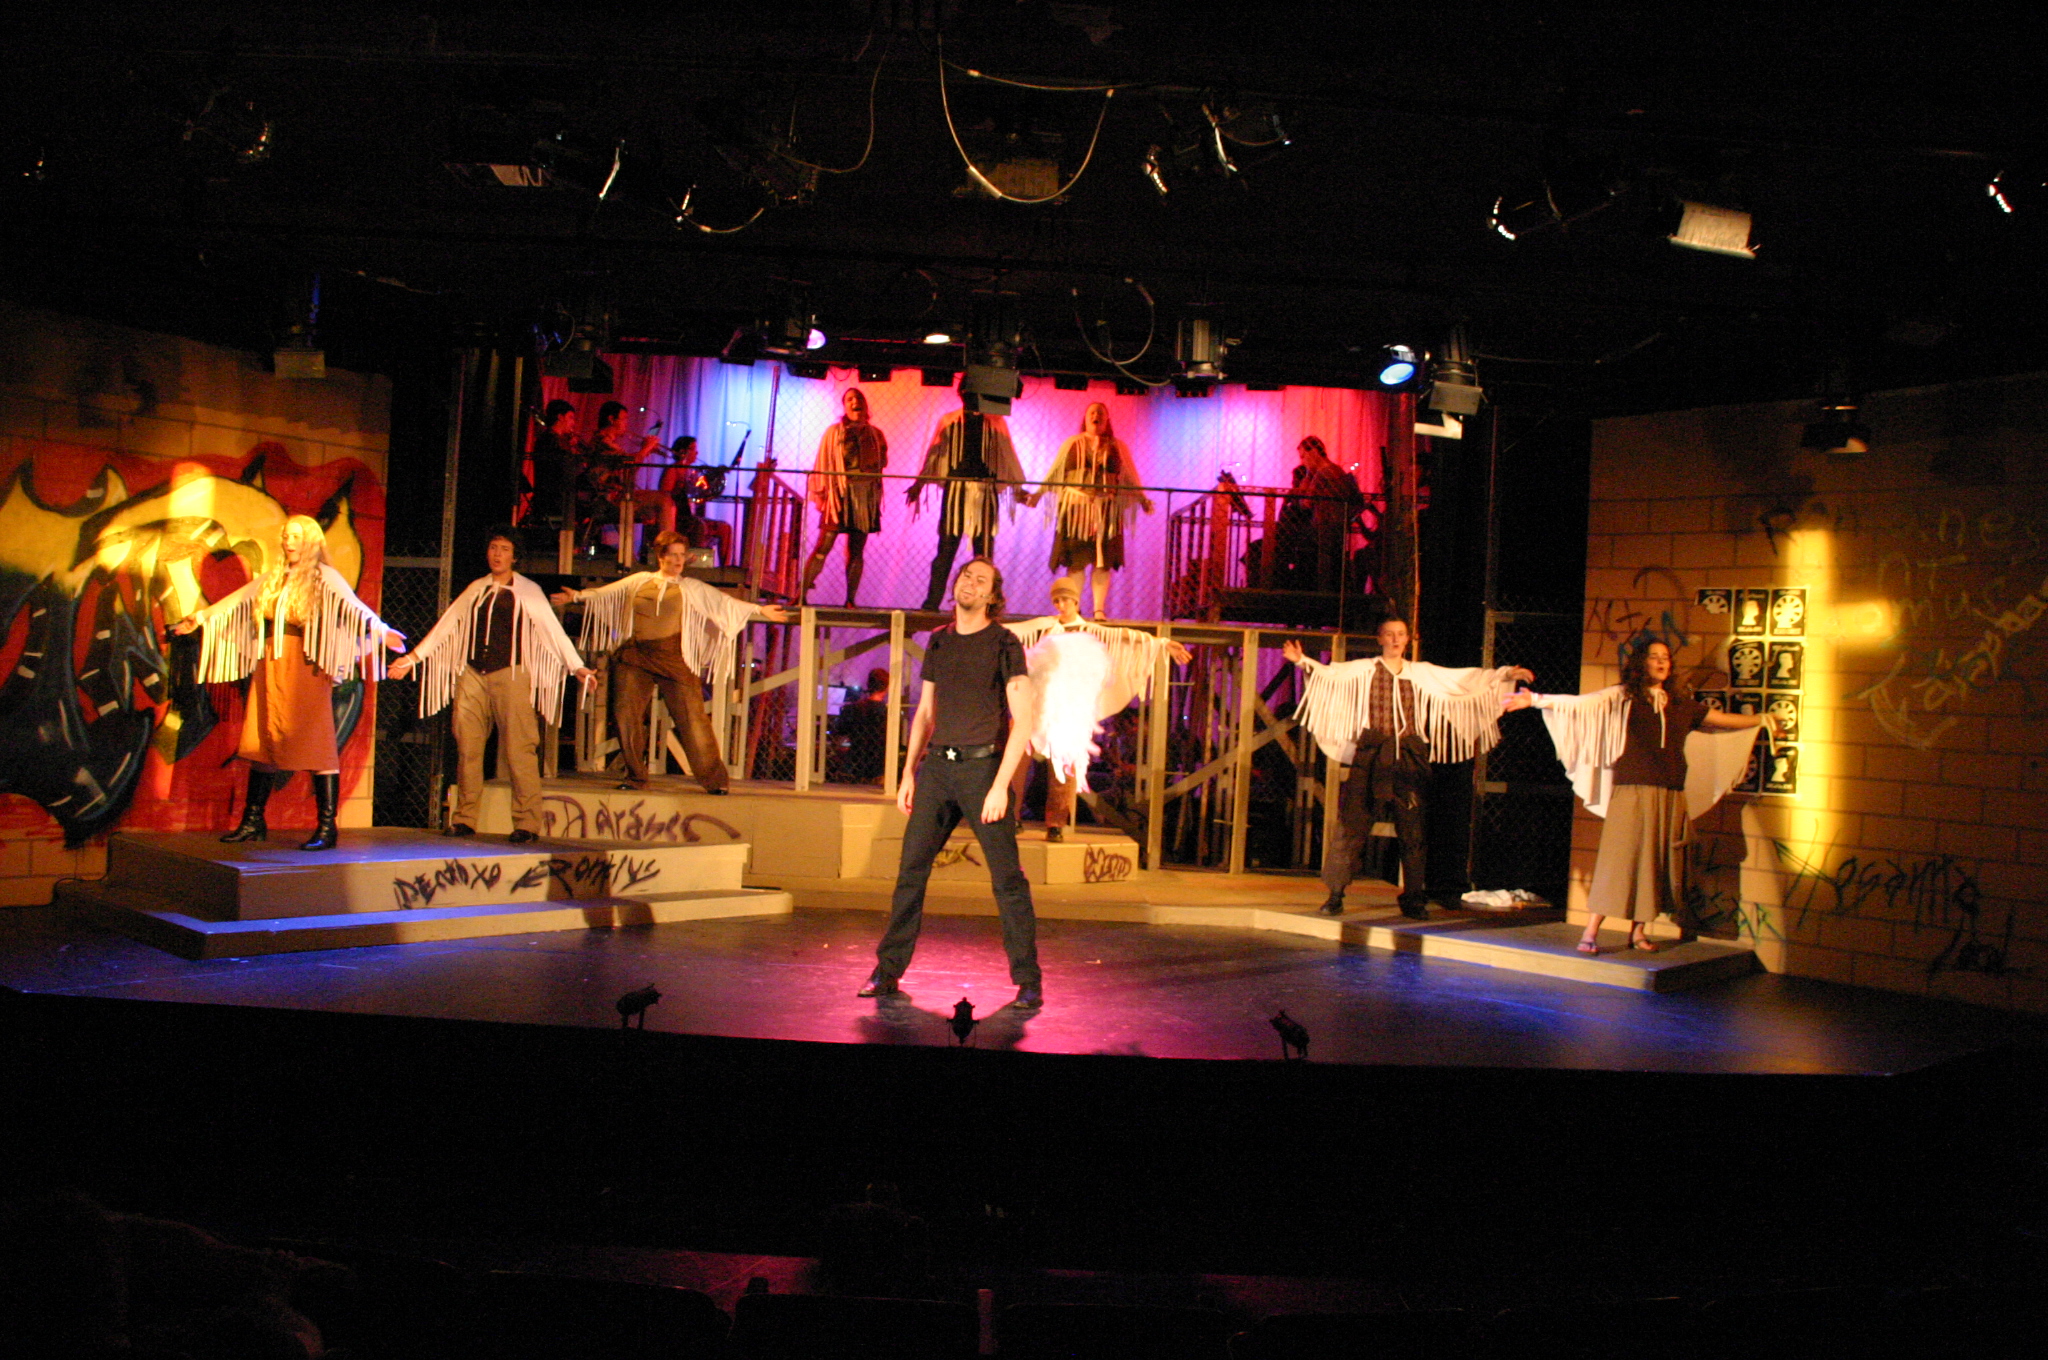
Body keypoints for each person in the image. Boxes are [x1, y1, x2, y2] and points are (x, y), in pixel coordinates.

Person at [1507, 639, 1775, 953]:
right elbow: (1582, 703)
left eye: (1666, 657)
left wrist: (1763, 719)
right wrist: (1535, 699)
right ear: (1641, 663)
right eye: (1654, 656)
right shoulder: (1624, 697)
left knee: (1655, 863)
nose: (1661, 662)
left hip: (1670, 793)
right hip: (1633, 790)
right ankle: (1591, 931)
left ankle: (1638, 931)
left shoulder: (1680, 704)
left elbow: (1722, 721)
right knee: (1620, 860)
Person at [862, 558, 1043, 1008]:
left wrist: (1000, 785)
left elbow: (1023, 720)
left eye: (981, 581)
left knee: (1007, 880)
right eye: (966, 576)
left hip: (983, 771)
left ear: (992, 596)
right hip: (938, 772)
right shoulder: (939, 640)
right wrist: (909, 771)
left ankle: (1028, 981)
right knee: (910, 871)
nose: (970, 583)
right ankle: (887, 971)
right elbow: (925, 712)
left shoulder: (1004, 643)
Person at [170, 514, 405, 851]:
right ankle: (253, 820)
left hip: (305, 665)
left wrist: (381, 631)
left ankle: (327, 826)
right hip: (271, 664)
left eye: (295, 536)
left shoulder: (324, 576)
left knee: (316, 742)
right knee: (263, 740)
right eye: (285, 535)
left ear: (310, 540)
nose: (288, 541)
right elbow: (239, 600)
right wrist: (200, 618)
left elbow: (354, 607)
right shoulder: (276, 576)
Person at [1284, 617, 1529, 919]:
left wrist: (1506, 674)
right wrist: (1302, 661)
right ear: (1380, 639)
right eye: (1389, 634)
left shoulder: (1420, 672)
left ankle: (1413, 897)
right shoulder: (1364, 669)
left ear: (1407, 639)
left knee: (1413, 831)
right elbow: (1329, 675)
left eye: (1400, 634)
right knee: (1353, 826)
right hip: (1372, 753)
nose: (1395, 639)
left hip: (1409, 756)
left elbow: (1465, 679)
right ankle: (1335, 894)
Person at [388, 526, 596, 841]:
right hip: (473, 672)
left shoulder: (527, 590)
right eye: (493, 548)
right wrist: (413, 658)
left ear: (515, 556)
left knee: (519, 749)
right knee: (468, 747)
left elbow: (551, 630)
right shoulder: (477, 587)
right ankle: (464, 818)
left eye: (504, 549)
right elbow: (448, 624)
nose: (497, 554)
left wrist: (576, 666)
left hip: (510, 673)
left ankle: (526, 823)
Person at [552, 530, 792, 793]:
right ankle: (635, 778)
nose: (679, 560)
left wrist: (760, 609)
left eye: (682, 555)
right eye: (673, 555)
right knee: (625, 714)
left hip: (672, 655)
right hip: (636, 654)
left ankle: (715, 781)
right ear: (661, 556)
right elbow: (605, 594)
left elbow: (724, 603)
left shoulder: (690, 587)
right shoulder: (640, 580)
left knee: (693, 719)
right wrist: (576, 596)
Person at [1007, 579, 1190, 841]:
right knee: (1016, 757)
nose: (1061, 605)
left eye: (1065, 599)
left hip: (1067, 709)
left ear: (1076, 600)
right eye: (1057, 600)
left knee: (1064, 765)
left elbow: (1126, 637)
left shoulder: (1089, 630)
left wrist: (1162, 644)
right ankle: (1012, 817)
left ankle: (1056, 824)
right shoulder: (1045, 626)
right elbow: (1011, 630)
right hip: (1036, 704)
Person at [1028, 401, 1153, 620]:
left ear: (1107, 419)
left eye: (1101, 413)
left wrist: (1142, 499)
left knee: (1102, 562)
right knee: (1076, 561)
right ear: (1085, 418)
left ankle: (1098, 610)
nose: (1096, 415)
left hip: (1106, 511)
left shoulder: (1118, 446)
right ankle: (1074, 609)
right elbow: (1055, 472)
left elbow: (1130, 475)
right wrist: (1038, 495)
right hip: (1076, 510)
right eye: (1092, 412)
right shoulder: (1071, 444)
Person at [907, 403, 1027, 612]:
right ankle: (932, 603)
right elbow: (934, 452)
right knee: (947, 547)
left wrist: (1018, 486)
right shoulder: (950, 420)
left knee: (984, 552)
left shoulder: (995, 421)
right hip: (957, 489)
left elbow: (1008, 453)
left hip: (985, 490)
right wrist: (920, 482)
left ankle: (985, 605)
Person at [800, 386, 889, 606]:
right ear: (844, 406)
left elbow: (882, 462)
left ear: (865, 405)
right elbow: (822, 462)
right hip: (839, 493)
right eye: (849, 399)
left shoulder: (875, 434)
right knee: (824, 545)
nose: (854, 401)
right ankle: (801, 595)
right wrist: (823, 492)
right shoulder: (834, 433)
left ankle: (850, 600)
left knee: (856, 550)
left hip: (864, 496)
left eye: (858, 398)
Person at [1295, 436, 1365, 593]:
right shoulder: (1338, 471)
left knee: (1323, 568)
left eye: (1303, 456)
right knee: (1335, 567)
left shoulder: (1322, 473)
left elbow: (1305, 503)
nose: (1302, 462)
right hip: (1338, 526)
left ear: (1313, 452)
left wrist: (1307, 476)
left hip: (1324, 527)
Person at [658, 435, 734, 565]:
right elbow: (665, 495)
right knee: (699, 526)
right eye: (693, 449)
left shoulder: (692, 472)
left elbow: (700, 495)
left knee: (725, 528)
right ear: (683, 451)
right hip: (678, 517)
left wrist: (716, 475)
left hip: (691, 516)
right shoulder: (673, 470)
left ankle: (725, 568)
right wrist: (682, 487)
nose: (697, 453)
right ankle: (696, 565)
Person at [522, 398, 578, 529]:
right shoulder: (551, 440)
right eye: (570, 417)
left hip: (556, 497)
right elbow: (562, 471)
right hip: (554, 499)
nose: (573, 423)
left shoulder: (553, 440)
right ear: (560, 417)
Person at [832, 666, 893, 784]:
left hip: (855, 761)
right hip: (879, 763)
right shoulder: (888, 713)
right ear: (887, 687)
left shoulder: (854, 709)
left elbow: (840, 730)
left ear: (868, 684)